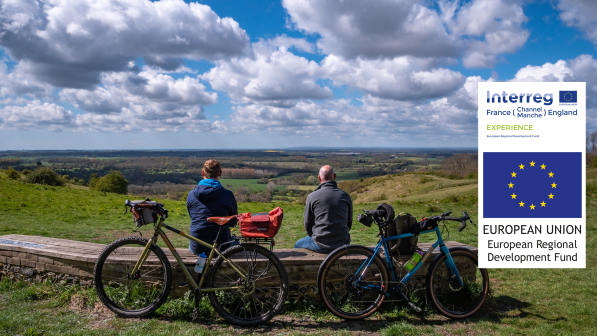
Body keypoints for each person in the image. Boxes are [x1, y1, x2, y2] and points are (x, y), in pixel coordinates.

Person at [295, 165, 353, 253]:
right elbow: (349, 223)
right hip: (342, 243)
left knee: (297, 245)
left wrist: (315, 236)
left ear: (319, 178)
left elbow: (307, 224)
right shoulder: (345, 196)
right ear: (334, 176)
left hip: (320, 243)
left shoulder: (312, 196)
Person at [187, 159, 237, 256]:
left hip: (197, 247)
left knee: (191, 244)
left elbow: (192, 216)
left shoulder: (191, 194)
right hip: (222, 247)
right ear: (220, 173)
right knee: (236, 242)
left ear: (203, 172)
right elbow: (233, 221)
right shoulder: (228, 195)